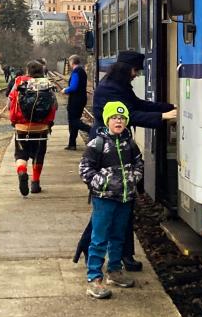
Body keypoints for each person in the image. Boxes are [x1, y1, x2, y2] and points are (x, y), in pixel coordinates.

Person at [75, 50, 176, 272]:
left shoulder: (117, 85)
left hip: (117, 148)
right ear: (126, 69)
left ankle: (116, 254)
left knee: (117, 208)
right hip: (108, 152)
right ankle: (118, 256)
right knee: (113, 208)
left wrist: (167, 107)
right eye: (135, 70)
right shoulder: (111, 89)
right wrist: (162, 117)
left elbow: (138, 105)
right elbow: (131, 115)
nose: (136, 74)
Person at [80, 101, 144, 299]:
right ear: (107, 120)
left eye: (123, 118)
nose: (119, 121)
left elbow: (138, 163)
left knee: (118, 235)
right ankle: (94, 278)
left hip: (125, 198)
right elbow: (85, 170)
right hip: (104, 198)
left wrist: (134, 178)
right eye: (115, 118)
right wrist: (103, 183)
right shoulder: (97, 144)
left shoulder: (130, 144)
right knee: (99, 238)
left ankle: (114, 271)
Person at [8, 60, 58, 196]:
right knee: (39, 154)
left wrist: (13, 120)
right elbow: (55, 105)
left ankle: (22, 171)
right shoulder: (47, 84)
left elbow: (10, 101)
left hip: (22, 126)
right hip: (41, 127)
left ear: (27, 70)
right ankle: (35, 183)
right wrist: (48, 122)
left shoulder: (19, 82)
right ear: (42, 70)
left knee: (20, 154)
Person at [63, 55, 89, 151]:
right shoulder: (82, 71)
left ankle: (90, 130)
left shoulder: (76, 71)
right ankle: (72, 144)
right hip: (81, 98)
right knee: (74, 120)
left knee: (73, 121)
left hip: (75, 100)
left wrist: (65, 90)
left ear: (72, 62)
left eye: (70, 62)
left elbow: (73, 87)